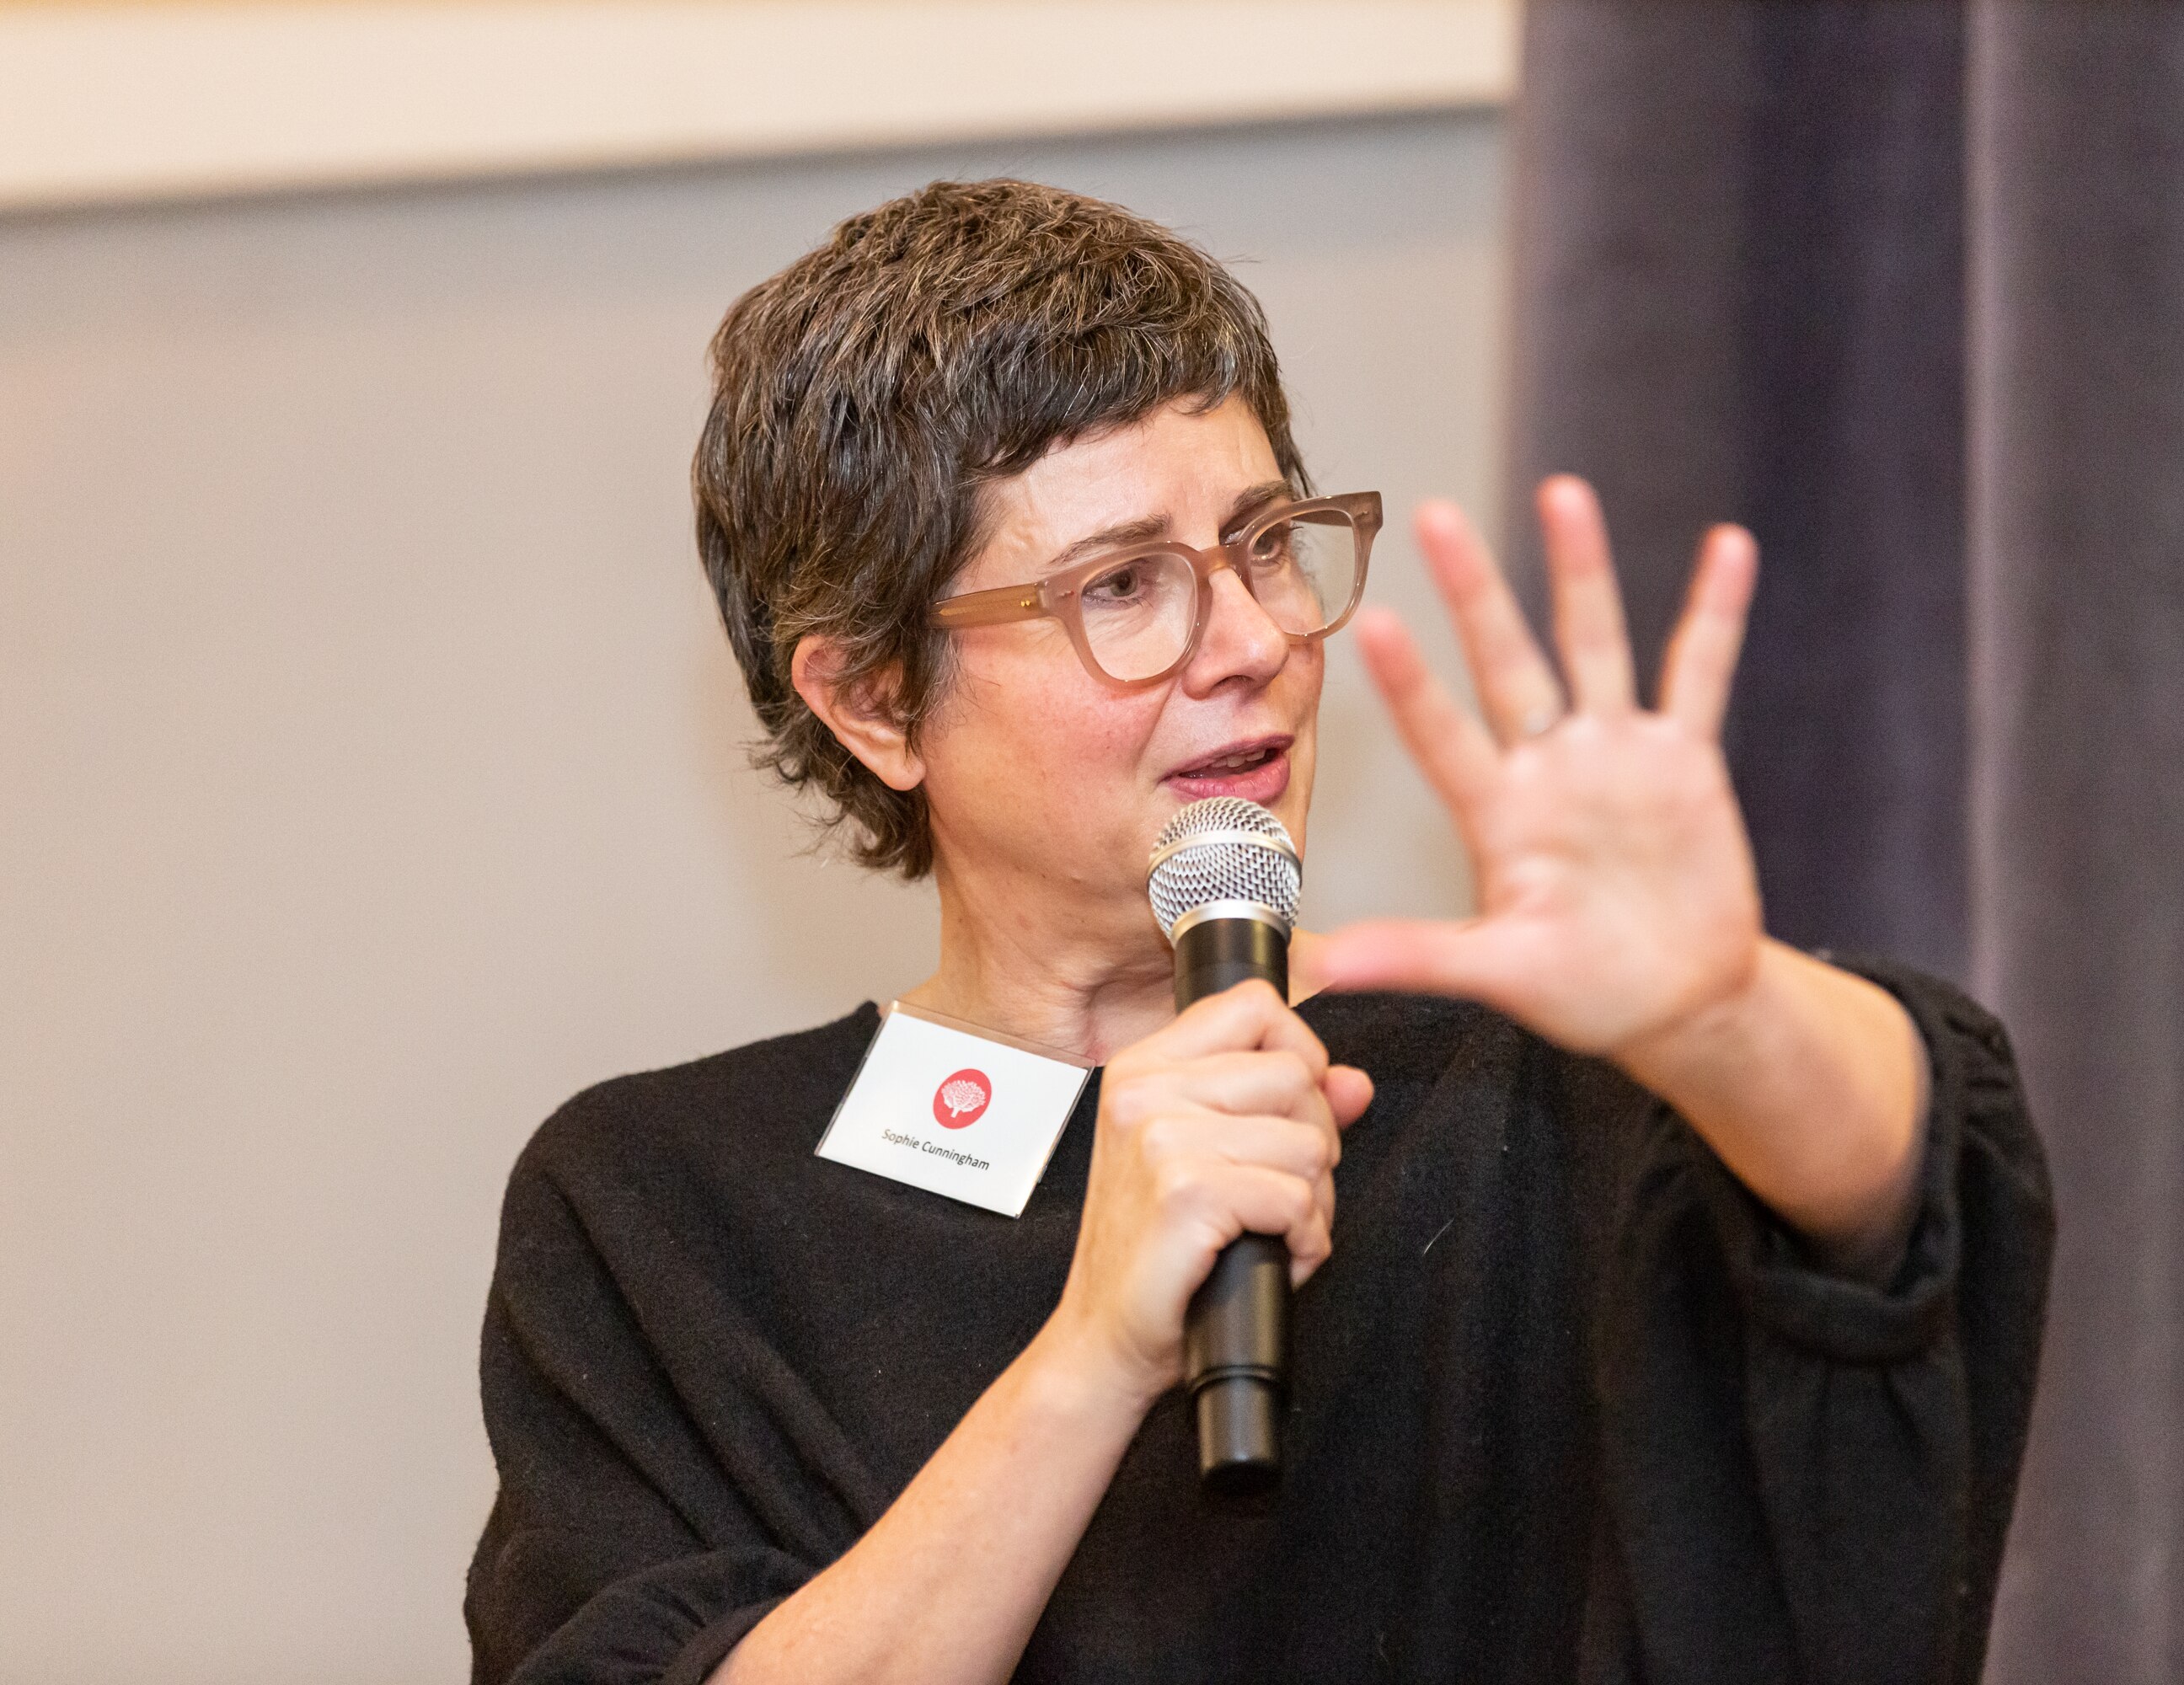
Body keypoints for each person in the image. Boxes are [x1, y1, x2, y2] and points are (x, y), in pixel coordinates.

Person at [465, 179, 2053, 1685]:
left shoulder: (1511, 1093)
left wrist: (1720, 1021)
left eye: (1267, 542)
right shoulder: (660, 1211)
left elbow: (1904, 1205)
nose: (1250, 644)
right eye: (1125, 585)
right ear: (877, 701)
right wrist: (1092, 1359)